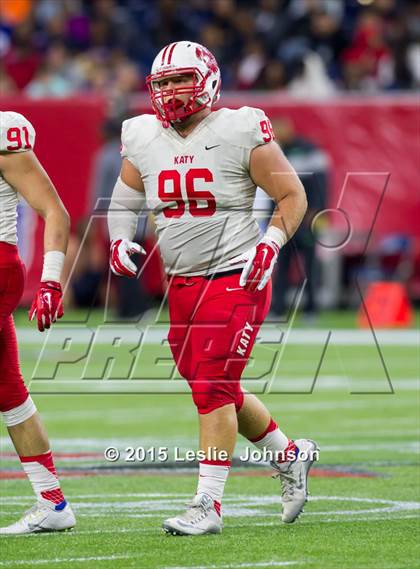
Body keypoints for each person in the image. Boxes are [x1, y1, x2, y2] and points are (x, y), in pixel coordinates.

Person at [107, 41, 319, 536]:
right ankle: (289, 456)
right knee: (217, 389)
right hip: (182, 283)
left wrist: (270, 242)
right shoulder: (140, 133)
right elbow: (123, 199)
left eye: (181, 79)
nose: (171, 91)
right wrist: (119, 238)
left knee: (213, 387)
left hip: (237, 274)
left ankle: (208, 504)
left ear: (208, 79)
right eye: (161, 83)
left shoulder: (240, 127)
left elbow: (292, 194)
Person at [0, 111, 75, 535]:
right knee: (9, 392)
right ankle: (52, 502)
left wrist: (51, 280)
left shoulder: (3, 134)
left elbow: (54, 211)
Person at [270, 116, 329, 318]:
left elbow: (321, 182)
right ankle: (278, 308)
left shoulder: (309, 150)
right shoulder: (274, 152)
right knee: (280, 263)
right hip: (283, 218)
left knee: (310, 264)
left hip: (308, 217)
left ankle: (311, 308)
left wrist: (316, 211)